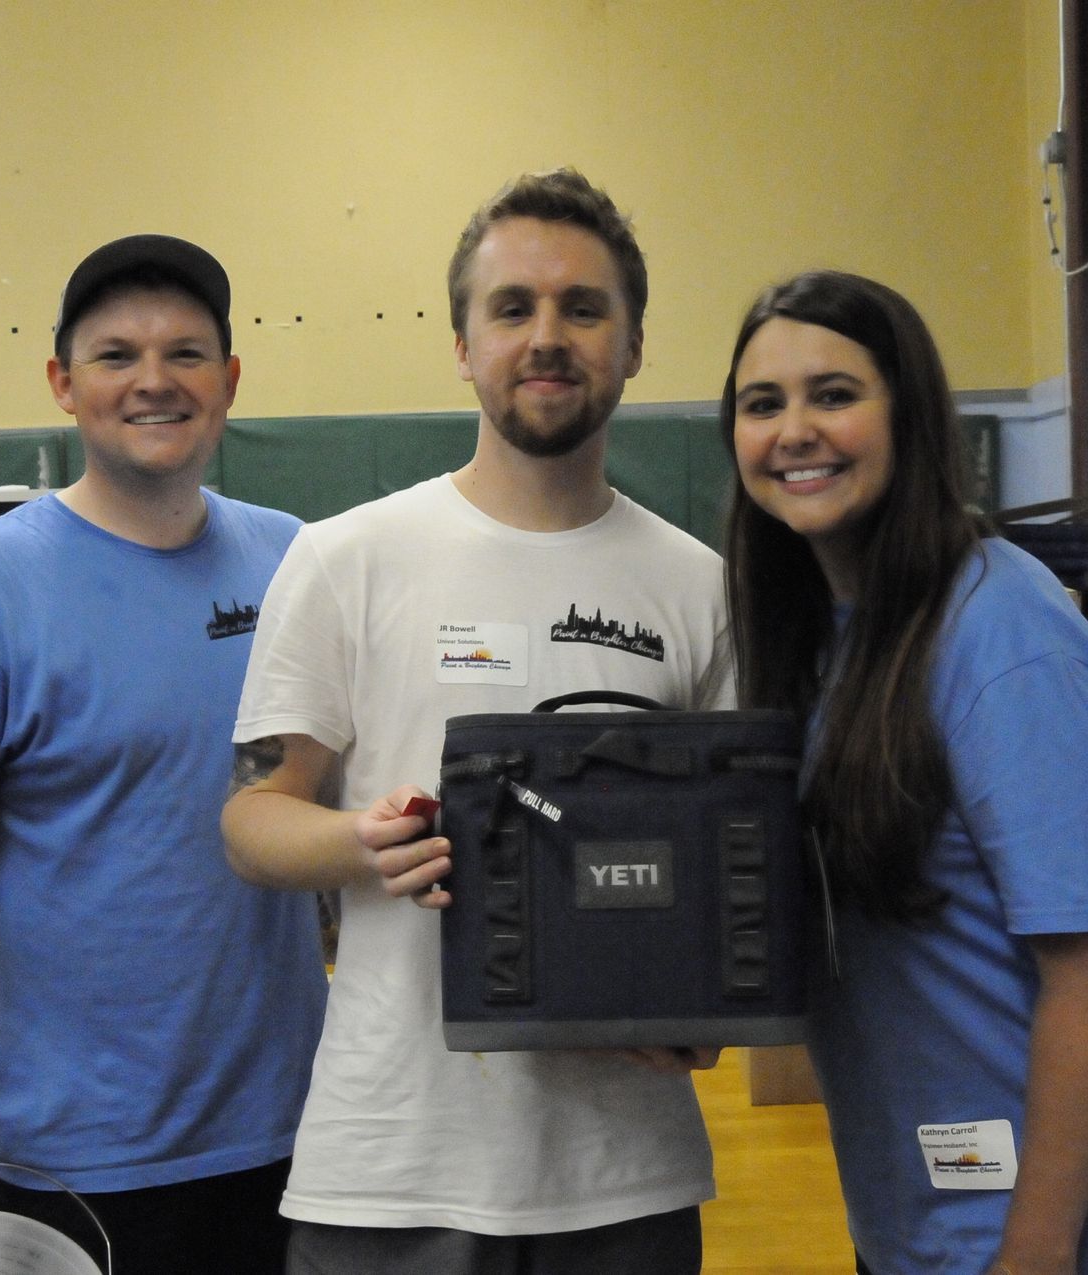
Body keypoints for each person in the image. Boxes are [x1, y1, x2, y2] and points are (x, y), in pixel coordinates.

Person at [221, 169, 729, 1275]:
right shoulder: (345, 559)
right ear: (463, 344)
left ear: (635, 345)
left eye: (583, 308)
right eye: (512, 308)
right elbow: (253, 820)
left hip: (622, 1177)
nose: (547, 337)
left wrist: (707, 1000)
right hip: (391, 1170)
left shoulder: (699, 586)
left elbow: (734, 855)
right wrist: (363, 842)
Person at [0, 235, 327, 1275]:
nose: (154, 380)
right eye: (115, 356)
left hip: (288, 1133)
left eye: (186, 353)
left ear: (230, 380)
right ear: (63, 383)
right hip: (59, 1155)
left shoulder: (296, 560)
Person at [719, 270, 1088, 1275]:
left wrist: (1035, 1250)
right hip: (926, 1199)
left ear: (910, 416)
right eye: (762, 404)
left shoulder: (1003, 627)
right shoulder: (817, 638)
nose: (795, 431)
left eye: (834, 395)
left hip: (1054, 1224)